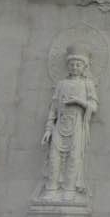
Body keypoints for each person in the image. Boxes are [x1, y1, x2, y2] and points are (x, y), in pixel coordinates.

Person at [41, 45, 98, 198]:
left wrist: (79, 102)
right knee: (54, 157)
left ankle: (69, 189)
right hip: (60, 123)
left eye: (78, 64)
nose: (75, 67)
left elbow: (93, 106)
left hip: (77, 123)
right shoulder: (61, 84)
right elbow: (53, 107)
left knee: (74, 157)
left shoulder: (87, 84)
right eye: (72, 64)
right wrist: (48, 128)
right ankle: (51, 189)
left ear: (84, 67)